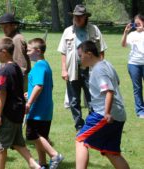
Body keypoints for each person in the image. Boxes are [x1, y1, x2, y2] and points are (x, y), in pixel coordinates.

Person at [76, 41, 130, 169]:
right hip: (119, 114)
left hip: (103, 114)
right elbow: (117, 81)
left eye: (80, 56)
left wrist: (107, 112)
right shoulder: (106, 64)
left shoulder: (98, 70)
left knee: (81, 140)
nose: (79, 59)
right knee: (111, 152)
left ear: (89, 54)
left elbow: (109, 91)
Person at [0, 37, 42, 169]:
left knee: (1, 145)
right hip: (18, 112)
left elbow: (2, 93)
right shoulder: (16, 67)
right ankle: (35, 165)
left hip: (7, 113)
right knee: (17, 142)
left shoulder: (4, 70)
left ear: (4, 52)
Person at [57, 4, 107, 131]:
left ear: (85, 17)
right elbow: (63, 52)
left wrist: (100, 68)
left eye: (80, 16)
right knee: (74, 100)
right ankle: (79, 125)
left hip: (91, 70)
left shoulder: (94, 30)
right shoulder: (68, 31)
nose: (77, 19)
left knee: (92, 98)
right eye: (75, 16)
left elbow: (101, 51)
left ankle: (92, 123)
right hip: (73, 69)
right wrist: (63, 69)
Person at [25, 38, 64, 169]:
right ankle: (42, 163)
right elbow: (48, 86)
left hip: (37, 110)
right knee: (41, 136)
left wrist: (29, 102)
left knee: (32, 134)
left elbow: (38, 86)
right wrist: (28, 94)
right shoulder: (46, 65)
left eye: (29, 50)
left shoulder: (39, 66)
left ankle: (54, 155)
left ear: (38, 51)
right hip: (46, 109)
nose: (27, 53)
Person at [0, 13, 30, 90]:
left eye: (6, 26)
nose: (4, 29)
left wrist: (15, 81)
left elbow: (21, 65)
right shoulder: (10, 38)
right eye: (2, 27)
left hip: (16, 80)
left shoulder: (17, 39)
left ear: (13, 26)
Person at [121, 14, 144, 118]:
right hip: (134, 64)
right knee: (137, 88)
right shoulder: (132, 35)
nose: (137, 24)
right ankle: (140, 111)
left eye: (139, 22)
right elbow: (123, 45)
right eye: (136, 23)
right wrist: (126, 32)